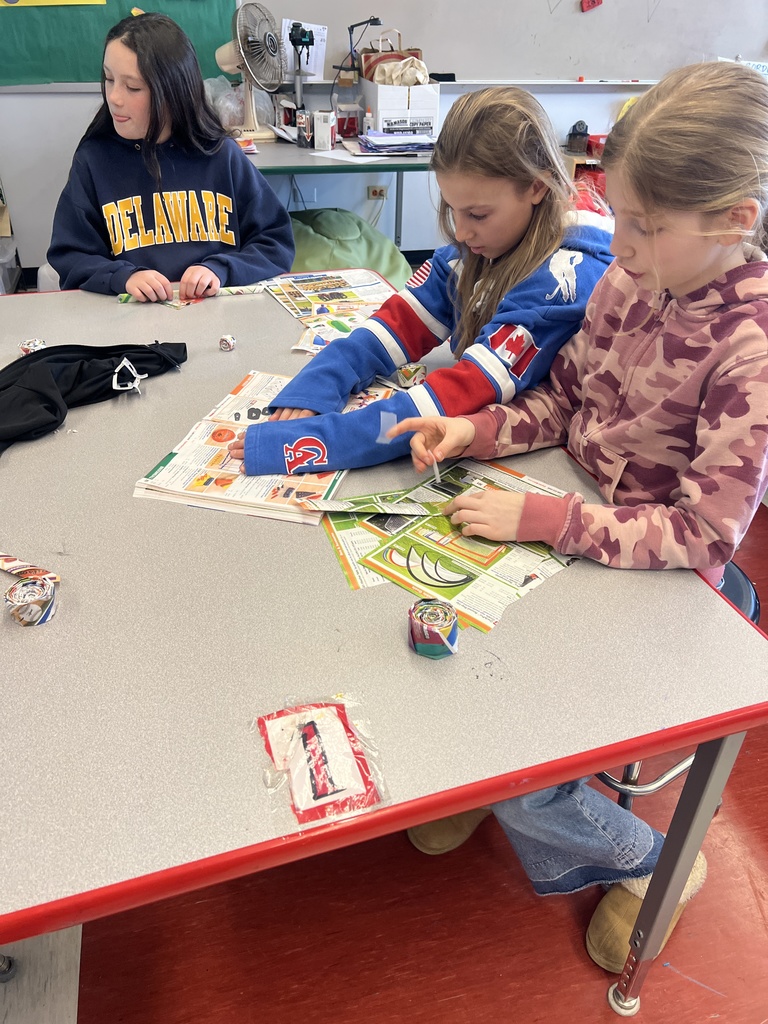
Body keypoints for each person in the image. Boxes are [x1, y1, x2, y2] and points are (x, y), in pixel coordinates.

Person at [387, 60, 768, 973]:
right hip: (570, 514)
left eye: (643, 224)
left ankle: (655, 864)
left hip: (658, 578)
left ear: (734, 223)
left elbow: (701, 536)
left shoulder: (750, 351)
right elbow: (564, 401)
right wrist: (477, 427)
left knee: (520, 750)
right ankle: (495, 780)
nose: (620, 240)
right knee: (436, 654)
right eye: (618, 212)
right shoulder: (630, 279)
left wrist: (550, 521)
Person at [227, 87, 613, 473]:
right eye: (452, 209)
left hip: (550, 461)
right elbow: (395, 326)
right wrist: (321, 380)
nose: (460, 233)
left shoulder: (561, 282)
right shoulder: (480, 248)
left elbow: (449, 401)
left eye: (477, 215)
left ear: (536, 186)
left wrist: (318, 442)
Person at [47, 12, 294, 301]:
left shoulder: (221, 156)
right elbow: (71, 255)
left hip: (216, 320)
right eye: (109, 79)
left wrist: (221, 268)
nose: (114, 97)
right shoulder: (93, 160)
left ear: (173, 92)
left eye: (133, 87)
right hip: (128, 325)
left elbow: (275, 242)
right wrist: (123, 277)